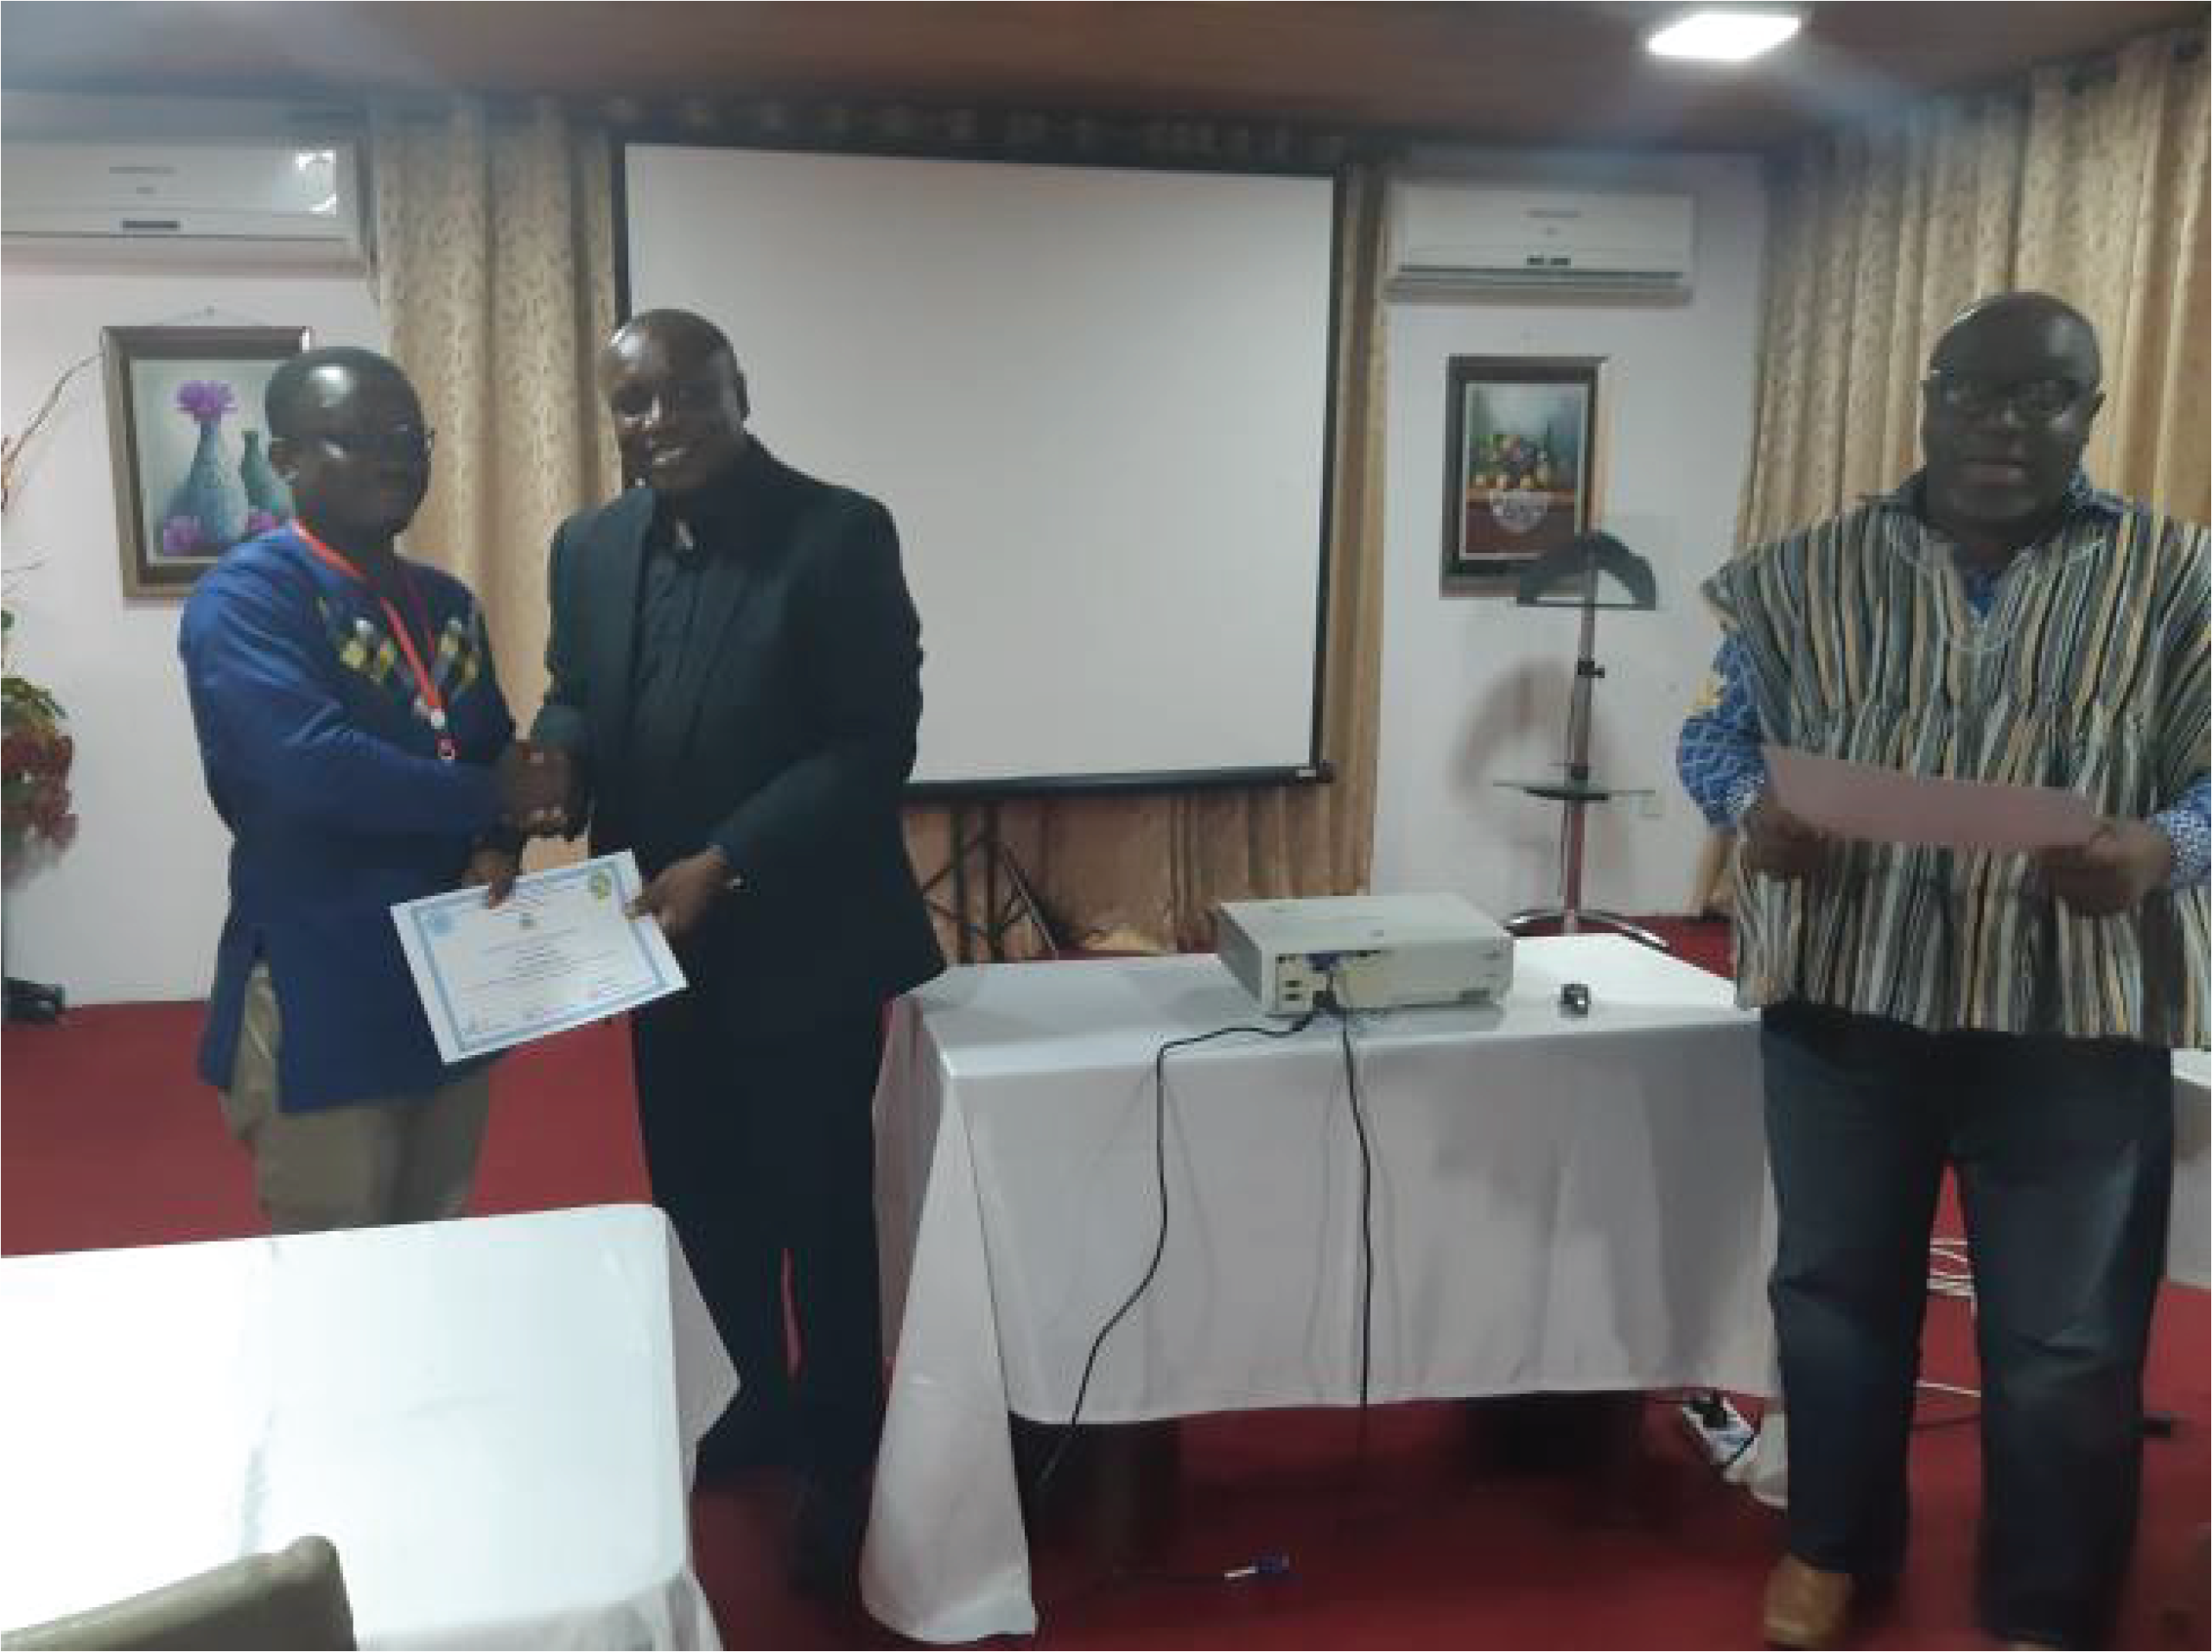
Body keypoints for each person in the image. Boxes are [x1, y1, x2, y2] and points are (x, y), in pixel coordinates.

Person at [1679, 291, 2212, 1652]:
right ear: (1929, 398)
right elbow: (1716, 737)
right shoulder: (1807, 572)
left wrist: (2166, 849)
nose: (2003, 421)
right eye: (1975, 389)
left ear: (2091, 412)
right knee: (1834, 1296)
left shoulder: (2179, 581)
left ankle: (2046, 1601)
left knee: (2068, 1336)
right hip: (1847, 1002)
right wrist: (1751, 810)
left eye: (2044, 395)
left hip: (2074, 1015)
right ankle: (1833, 1545)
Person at [528, 308, 944, 1592]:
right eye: (632, 403)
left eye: (685, 393)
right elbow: (575, 690)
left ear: (738, 389)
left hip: (803, 940)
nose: (659, 422)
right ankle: (748, 1403)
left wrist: (728, 858)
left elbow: (872, 742)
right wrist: (556, 762)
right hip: (651, 941)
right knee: (700, 1195)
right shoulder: (589, 544)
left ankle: (842, 1447)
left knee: (818, 1208)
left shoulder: (839, 532)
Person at [180, 346, 569, 1233]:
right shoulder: (247, 597)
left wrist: (501, 838)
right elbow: (307, 770)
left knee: (436, 1240)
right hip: (325, 983)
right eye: (354, 437)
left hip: (450, 980)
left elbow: (487, 746)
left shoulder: (444, 599)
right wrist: (492, 796)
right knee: (338, 1267)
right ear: (284, 459)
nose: (392, 458)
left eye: (406, 436)